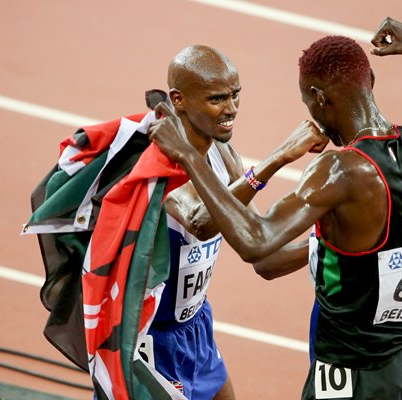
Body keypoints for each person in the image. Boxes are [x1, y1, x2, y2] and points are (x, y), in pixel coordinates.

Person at [149, 17, 402, 399]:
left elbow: (256, 242)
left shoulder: (338, 172)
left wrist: (188, 157)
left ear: (319, 97)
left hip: (352, 368)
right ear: (370, 81)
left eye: (307, 101)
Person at [143, 45, 327, 400]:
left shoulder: (221, 151)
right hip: (151, 339)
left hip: (195, 328)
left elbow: (264, 256)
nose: (231, 110)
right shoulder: (154, 159)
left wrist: (331, 244)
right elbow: (201, 222)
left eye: (235, 95)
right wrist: (277, 158)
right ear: (179, 100)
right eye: (217, 99)